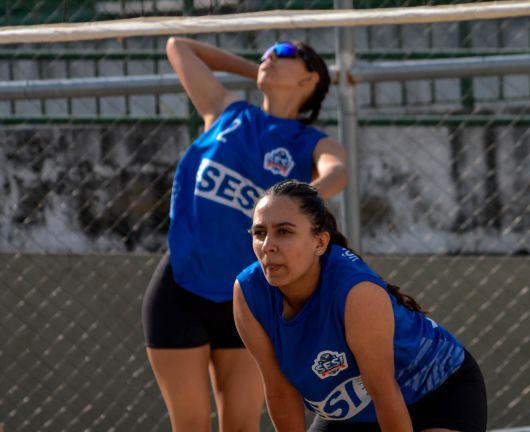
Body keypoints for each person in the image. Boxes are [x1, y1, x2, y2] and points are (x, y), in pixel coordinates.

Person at [141, 38, 347, 432]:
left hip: (250, 297)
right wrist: (257, 72)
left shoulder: (312, 142)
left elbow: (338, 171)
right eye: (266, 52)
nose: (269, 55)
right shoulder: (226, 111)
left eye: (284, 52)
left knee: (240, 424)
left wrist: (302, 198)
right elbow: (178, 47)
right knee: (190, 425)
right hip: (180, 289)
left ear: (310, 77)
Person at [233, 179, 487, 432]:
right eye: (259, 233)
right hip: (351, 410)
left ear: (320, 243)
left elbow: (384, 393)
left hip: (437, 393)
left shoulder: (356, 292)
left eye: (284, 231)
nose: (268, 246)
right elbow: (280, 393)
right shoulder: (248, 292)